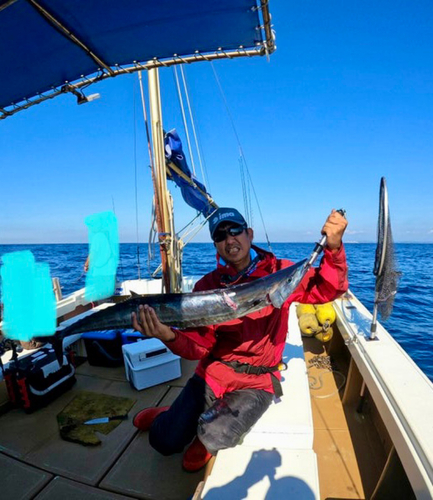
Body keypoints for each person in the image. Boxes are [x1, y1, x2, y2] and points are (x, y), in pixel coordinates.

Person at [131, 207, 348, 472]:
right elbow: (199, 346)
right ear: (216, 245)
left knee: (203, 446)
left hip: (257, 382)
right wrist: (168, 335)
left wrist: (334, 248)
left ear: (249, 234)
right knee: (164, 441)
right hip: (214, 372)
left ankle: (195, 427)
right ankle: (169, 416)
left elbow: (330, 288)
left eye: (235, 230)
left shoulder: (281, 272)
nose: (229, 239)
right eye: (220, 235)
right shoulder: (207, 287)